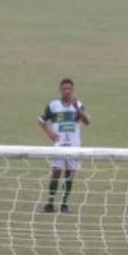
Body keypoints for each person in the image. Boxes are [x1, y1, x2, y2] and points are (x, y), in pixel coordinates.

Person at [39, 78, 90, 213]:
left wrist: (77, 109)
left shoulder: (78, 104)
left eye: (69, 88)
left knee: (69, 174)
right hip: (59, 146)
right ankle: (50, 202)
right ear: (60, 90)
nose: (67, 91)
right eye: (64, 88)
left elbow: (87, 121)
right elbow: (41, 120)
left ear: (73, 90)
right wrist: (49, 132)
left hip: (74, 147)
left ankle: (64, 204)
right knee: (56, 172)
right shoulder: (53, 105)